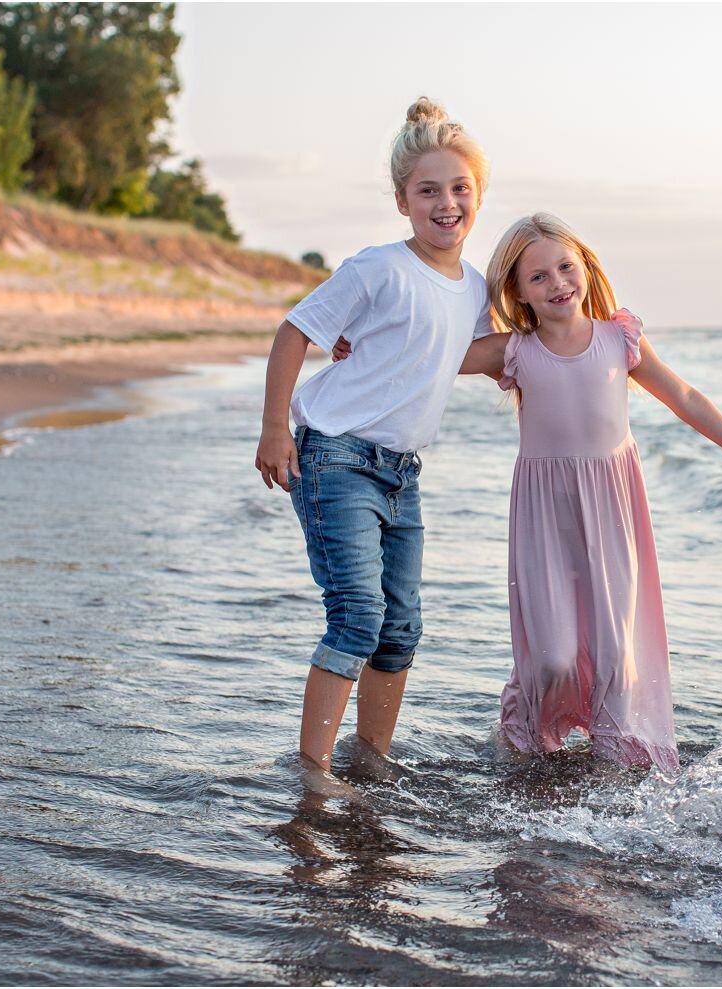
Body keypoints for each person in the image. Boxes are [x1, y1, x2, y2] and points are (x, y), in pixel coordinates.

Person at [459, 213, 722, 772]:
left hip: (613, 503)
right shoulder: (513, 350)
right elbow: (429, 357)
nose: (557, 283)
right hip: (546, 510)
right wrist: (360, 343)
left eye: (566, 267)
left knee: (616, 649)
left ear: (586, 268)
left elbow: (683, 396)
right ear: (516, 291)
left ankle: (612, 763)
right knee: (555, 656)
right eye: (537, 276)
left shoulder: (619, 337)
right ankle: (523, 729)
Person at [254, 97, 492, 779]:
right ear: (402, 200)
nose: (445, 203)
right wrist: (275, 428)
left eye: (459, 189)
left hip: (402, 473)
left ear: (477, 196)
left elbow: (463, 354)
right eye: (428, 191)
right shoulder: (378, 267)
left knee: (400, 627)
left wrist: (565, 348)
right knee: (358, 613)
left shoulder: (473, 288)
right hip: (334, 456)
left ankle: (374, 762)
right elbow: (296, 331)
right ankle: (313, 771)